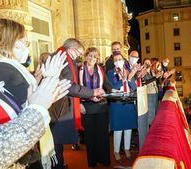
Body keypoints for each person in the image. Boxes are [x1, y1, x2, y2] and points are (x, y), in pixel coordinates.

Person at [0, 13, 70, 169]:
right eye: (24, 42)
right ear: (12, 42)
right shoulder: (5, 69)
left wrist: (42, 87)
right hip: (18, 154)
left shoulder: (6, 67)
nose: (26, 47)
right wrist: (48, 82)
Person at [49, 38, 104, 169]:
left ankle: (60, 164)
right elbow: (70, 87)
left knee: (57, 144)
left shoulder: (63, 57)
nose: (80, 57)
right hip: (59, 108)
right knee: (56, 144)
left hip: (59, 106)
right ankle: (58, 166)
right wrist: (92, 92)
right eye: (79, 53)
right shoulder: (64, 60)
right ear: (71, 49)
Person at [79, 47, 112, 167]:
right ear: (86, 56)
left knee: (102, 135)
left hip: (101, 106)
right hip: (86, 107)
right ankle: (92, 162)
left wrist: (107, 91)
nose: (92, 58)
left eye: (95, 56)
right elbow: (75, 89)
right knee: (90, 137)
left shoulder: (101, 69)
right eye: (90, 55)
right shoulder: (79, 70)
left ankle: (104, 159)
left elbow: (108, 86)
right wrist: (79, 104)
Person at [107, 53, 137, 162]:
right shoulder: (111, 73)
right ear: (113, 62)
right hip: (117, 103)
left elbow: (134, 87)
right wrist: (122, 80)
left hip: (128, 102)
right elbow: (111, 87)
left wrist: (129, 78)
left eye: (120, 59)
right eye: (116, 59)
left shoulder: (128, 70)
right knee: (118, 128)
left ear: (124, 60)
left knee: (128, 127)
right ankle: (116, 151)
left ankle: (127, 148)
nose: (118, 61)